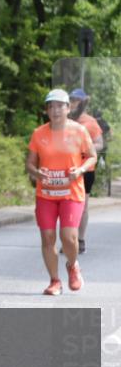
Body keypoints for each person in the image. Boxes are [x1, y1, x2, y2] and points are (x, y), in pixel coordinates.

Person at [25, 89, 97, 296]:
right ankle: (54, 281)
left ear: (68, 109)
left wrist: (80, 170)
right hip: (46, 194)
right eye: (51, 106)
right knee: (48, 238)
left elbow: (91, 156)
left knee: (68, 237)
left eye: (59, 106)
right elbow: (29, 163)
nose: (55, 110)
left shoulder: (79, 131)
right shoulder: (39, 133)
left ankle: (72, 265)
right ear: (46, 110)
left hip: (71, 192)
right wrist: (37, 173)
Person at [68, 89, 105, 253]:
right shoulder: (64, 120)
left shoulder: (90, 122)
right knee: (67, 205)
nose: (73, 103)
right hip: (67, 169)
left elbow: (100, 144)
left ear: (83, 103)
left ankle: (80, 240)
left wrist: (84, 149)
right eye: (71, 100)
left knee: (82, 206)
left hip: (86, 169)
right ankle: (69, 239)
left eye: (76, 100)